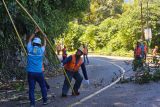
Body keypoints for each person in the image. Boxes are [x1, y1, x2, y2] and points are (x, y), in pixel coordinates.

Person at [26, 27, 48, 107]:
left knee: (31, 89)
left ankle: (32, 104)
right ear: (39, 44)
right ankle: (45, 100)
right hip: (39, 72)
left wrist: (35, 32)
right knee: (43, 86)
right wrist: (45, 38)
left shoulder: (30, 48)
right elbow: (45, 44)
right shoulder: (41, 50)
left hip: (30, 72)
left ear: (33, 43)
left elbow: (29, 40)